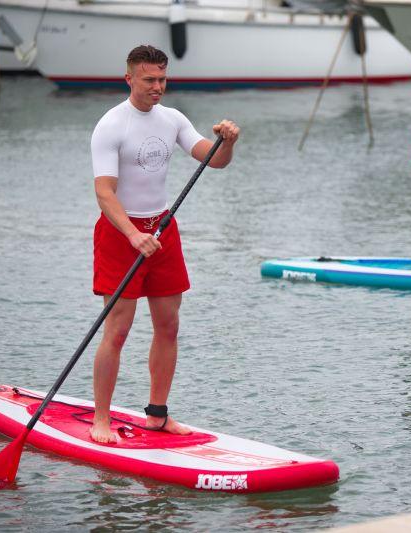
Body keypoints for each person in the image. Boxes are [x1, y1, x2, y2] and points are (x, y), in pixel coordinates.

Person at [89, 44, 240, 443]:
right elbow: (104, 193)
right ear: (130, 79)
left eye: (162, 79)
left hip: (162, 231)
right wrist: (133, 234)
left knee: (169, 325)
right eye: (149, 80)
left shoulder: (172, 119)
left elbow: (215, 161)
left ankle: (157, 414)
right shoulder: (111, 125)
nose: (158, 87)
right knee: (117, 331)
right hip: (122, 233)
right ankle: (100, 420)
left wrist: (227, 141)